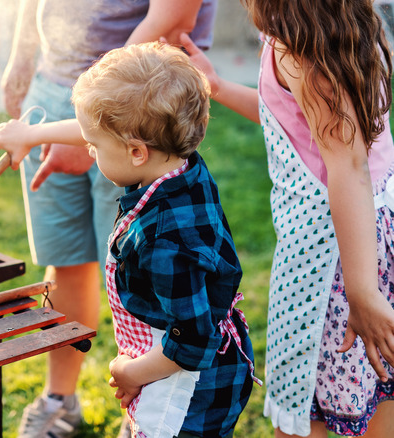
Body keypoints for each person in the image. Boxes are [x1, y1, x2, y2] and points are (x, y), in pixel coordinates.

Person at [0, 41, 258, 438]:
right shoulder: (180, 164)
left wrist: (129, 372)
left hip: (185, 391)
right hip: (179, 366)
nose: (90, 150)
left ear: (135, 152)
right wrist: (31, 133)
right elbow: (102, 127)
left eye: (94, 147)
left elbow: (193, 342)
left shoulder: (165, 240)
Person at [178, 0, 394, 436]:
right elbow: (293, 118)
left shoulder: (298, 51)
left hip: (330, 256)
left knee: (301, 409)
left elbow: (347, 166)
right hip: (373, 232)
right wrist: (217, 87)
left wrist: (362, 291)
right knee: (379, 384)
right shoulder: (343, 25)